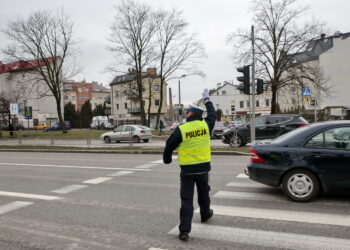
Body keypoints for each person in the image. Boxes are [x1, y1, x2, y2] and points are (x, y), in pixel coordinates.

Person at [163, 88, 216, 241]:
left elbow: (169, 146)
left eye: (187, 112)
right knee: (204, 193)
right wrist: (207, 100)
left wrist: (167, 159)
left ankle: (184, 231)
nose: (186, 114)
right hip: (203, 169)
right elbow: (212, 114)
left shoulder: (182, 129)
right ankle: (205, 214)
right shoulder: (207, 126)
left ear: (192, 114)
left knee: (187, 200)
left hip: (187, 171)